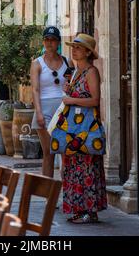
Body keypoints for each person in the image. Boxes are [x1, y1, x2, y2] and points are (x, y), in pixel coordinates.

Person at [62, 33, 107, 223]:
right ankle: (79, 209)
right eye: (73, 47)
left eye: (78, 47)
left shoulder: (91, 72)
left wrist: (71, 99)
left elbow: (95, 100)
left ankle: (89, 211)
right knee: (73, 167)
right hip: (73, 127)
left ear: (88, 52)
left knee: (87, 167)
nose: (74, 50)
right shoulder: (75, 72)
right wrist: (68, 90)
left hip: (86, 128)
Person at [30, 26, 73, 177]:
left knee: (65, 152)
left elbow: (72, 84)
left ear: (58, 42)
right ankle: (48, 194)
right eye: (47, 39)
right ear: (43, 42)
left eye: (53, 40)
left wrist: (69, 87)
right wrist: (39, 113)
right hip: (45, 110)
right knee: (49, 153)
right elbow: (35, 89)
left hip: (63, 110)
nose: (50, 43)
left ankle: (67, 193)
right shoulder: (37, 63)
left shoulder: (68, 62)